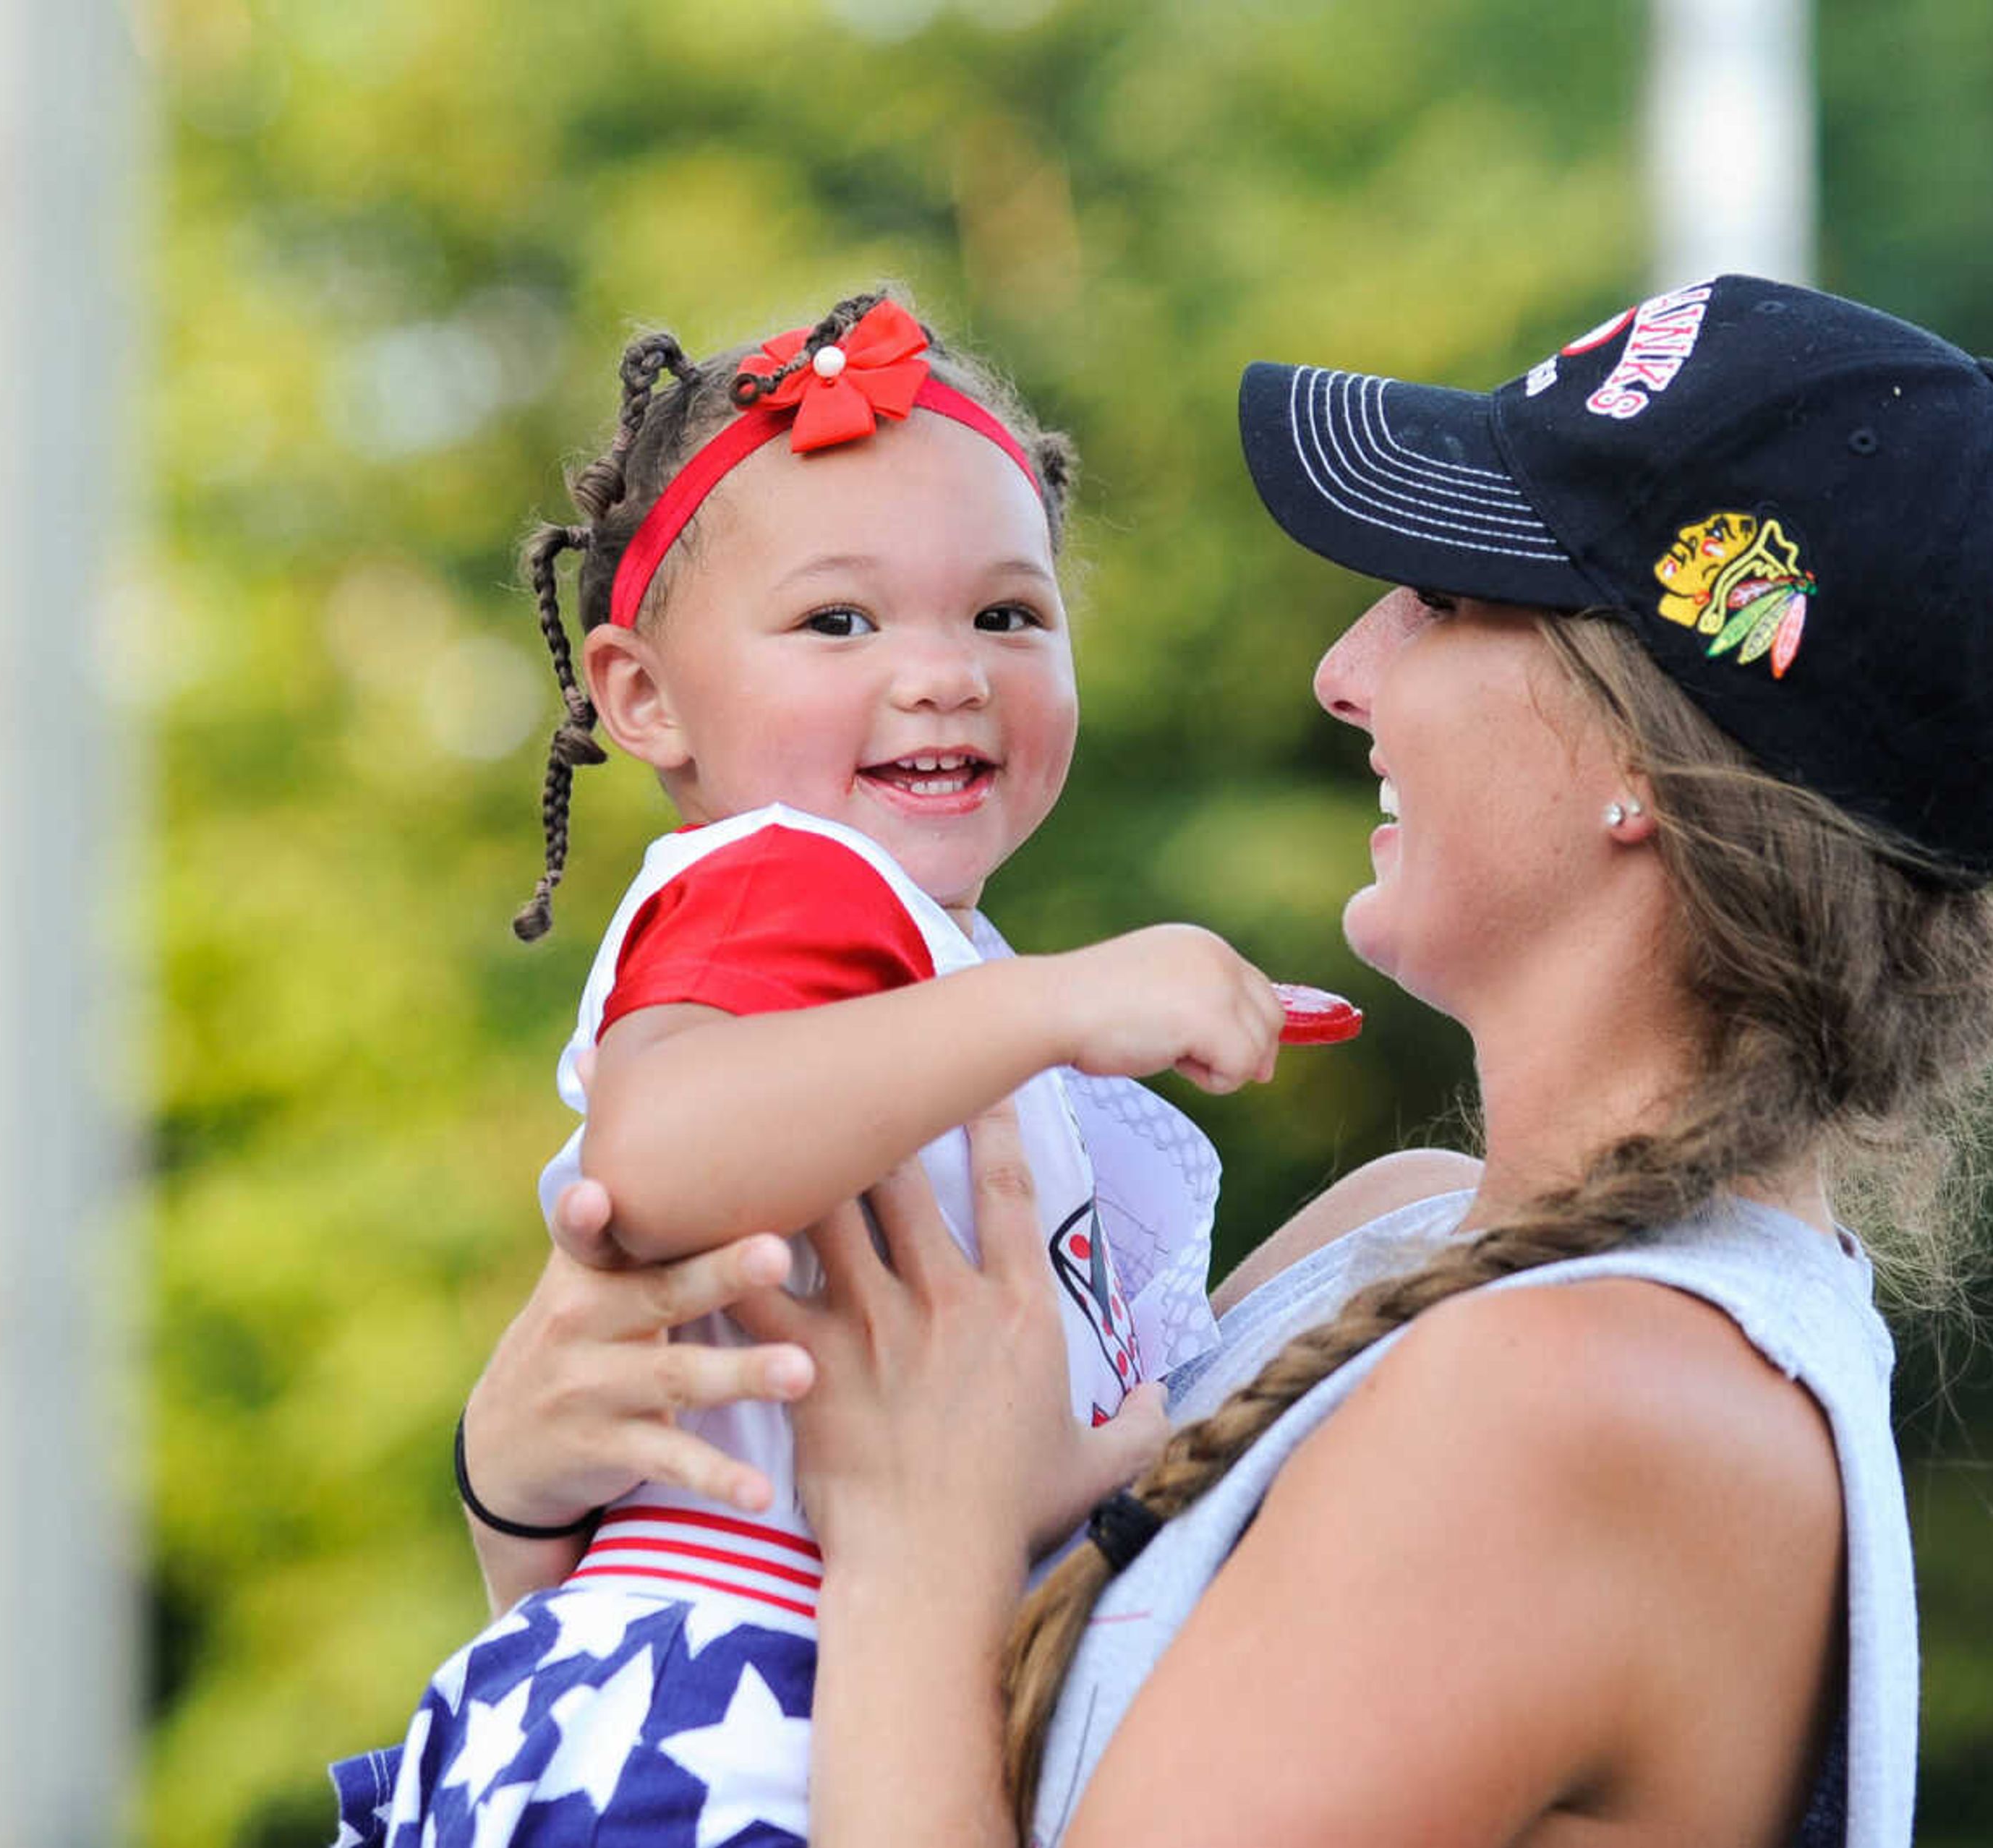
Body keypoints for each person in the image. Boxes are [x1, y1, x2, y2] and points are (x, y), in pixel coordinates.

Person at [460, 275, 1993, 1847]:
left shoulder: (1576, 1405)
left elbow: (926, 1534)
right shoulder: (1413, 1240)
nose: (1345, 671)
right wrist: (530, 1485)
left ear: (1644, 751)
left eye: (1439, 596)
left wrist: (916, 1552)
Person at [326, 289, 1286, 1848]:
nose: (944, 673)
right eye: (840, 622)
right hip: (718, 1693)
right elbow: (660, 1154)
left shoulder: (927, 964)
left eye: (1008, 616)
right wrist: (1057, 1003)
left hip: (820, 1688)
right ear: (645, 699)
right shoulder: (788, 880)